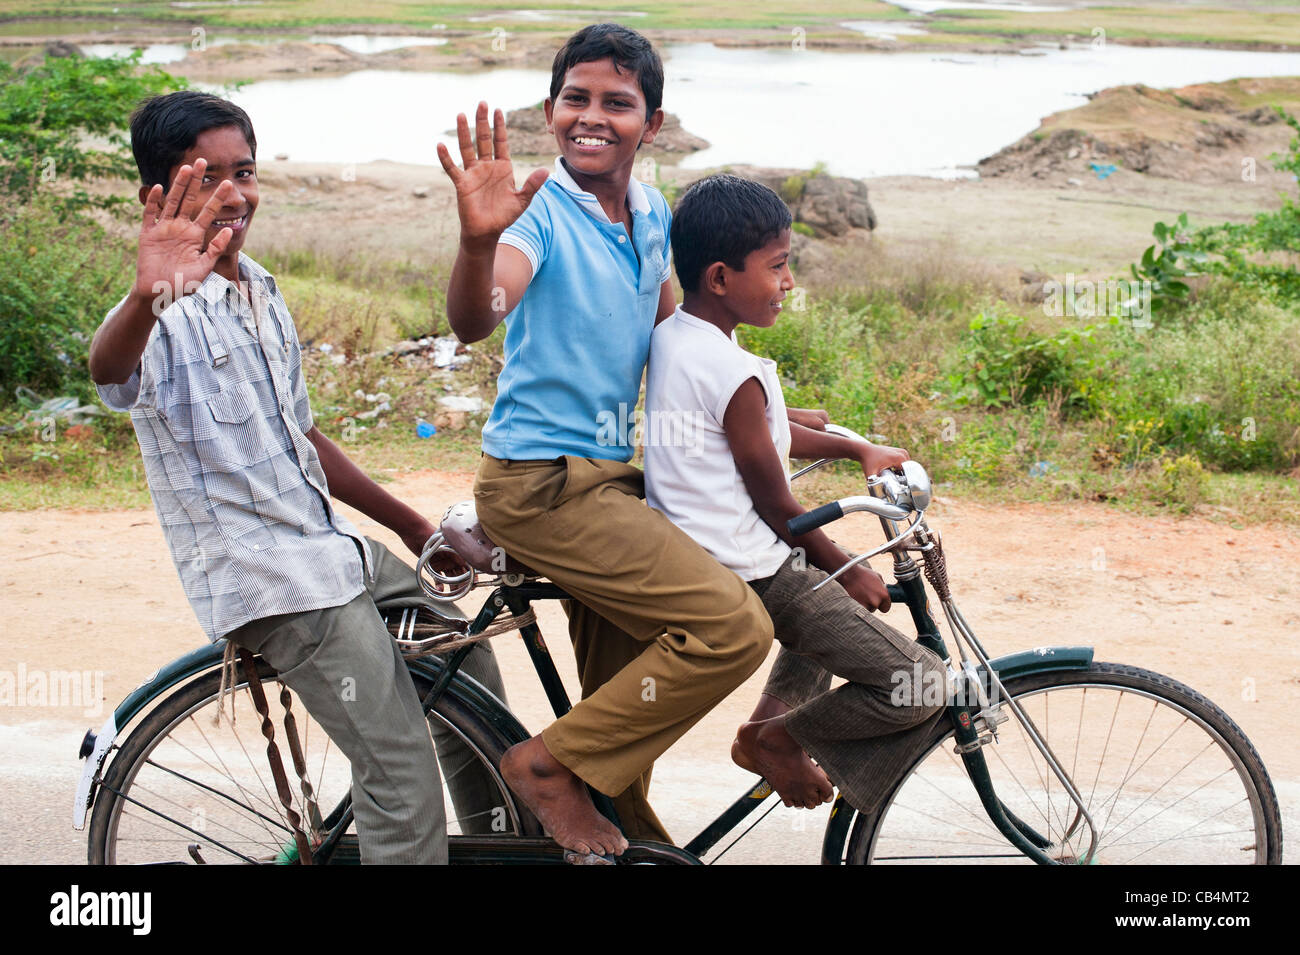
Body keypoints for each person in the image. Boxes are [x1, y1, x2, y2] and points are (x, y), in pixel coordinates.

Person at [438, 23, 831, 857]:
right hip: (540, 487)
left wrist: (777, 420)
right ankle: (544, 769)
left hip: (613, 483)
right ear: (551, 112)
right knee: (731, 629)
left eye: (618, 103)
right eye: (575, 99)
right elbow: (480, 315)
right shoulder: (538, 215)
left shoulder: (652, 216)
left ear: (651, 124)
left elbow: (676, 353)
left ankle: (626, 833)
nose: (593, 116)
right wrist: (478, 242)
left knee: (628, 698)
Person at [87, 91, 507, 863]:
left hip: (331, 551)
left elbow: (301, 434)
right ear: (162, 191)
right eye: (207, 177)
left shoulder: (263, 289)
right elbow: (111, 373)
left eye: (243, 171)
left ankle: (496, 843)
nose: (234, 194)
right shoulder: (163, 305)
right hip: (274, 580)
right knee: (399, 770)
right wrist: (146, 296)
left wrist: (415, 527)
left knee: (465, 653)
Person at [644, 173, 950, 814]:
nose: (788, 283)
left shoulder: (679, 334)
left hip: (704, 550)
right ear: (722, 278)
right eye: (778, 267)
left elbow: (763, 430)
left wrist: (854, 445)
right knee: (920, 681)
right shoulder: (733, 371)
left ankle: (768, 724)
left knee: (825, 613)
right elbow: (778, 507)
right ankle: (779, 739)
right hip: (748, 564)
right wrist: (845, 568)